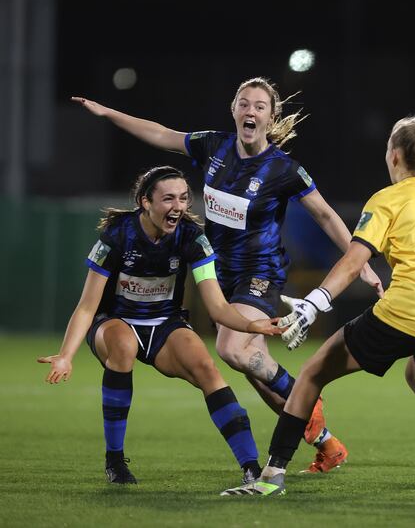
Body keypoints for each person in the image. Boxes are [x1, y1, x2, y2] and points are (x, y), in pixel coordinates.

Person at [72, 77, 385, 472]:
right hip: (217, 271)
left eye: (259, 106)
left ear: (271, 117)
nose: (250, 111)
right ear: (234, 110)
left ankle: (305, 394)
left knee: (233, 349)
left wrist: (362, 264)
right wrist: (107, 112)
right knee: (252, 363)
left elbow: (324, 214)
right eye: (243, 103)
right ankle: (325, 441)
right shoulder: (214, 146)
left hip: (260, 275)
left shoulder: (283, 169)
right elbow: (161, 133)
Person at [220, 115, 415, 497]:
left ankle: (271, 476)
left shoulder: (389, 198)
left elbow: (353, 260)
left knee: (312, 374)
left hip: (409, 309)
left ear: (395, 156)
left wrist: (313, 304)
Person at [37, 166, 286, 486]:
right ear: (145, 202)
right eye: (168, 199)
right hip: (114, 322)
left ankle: (251, 467)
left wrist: (254, 326)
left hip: (165, 325)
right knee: (124, 347)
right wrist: (65, 355)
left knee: (207, 369)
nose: (178, 206)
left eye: (183, 198)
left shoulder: (192, 238)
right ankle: (115, 460)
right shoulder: (118, 235)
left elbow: (218, 306)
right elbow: (87, 306)